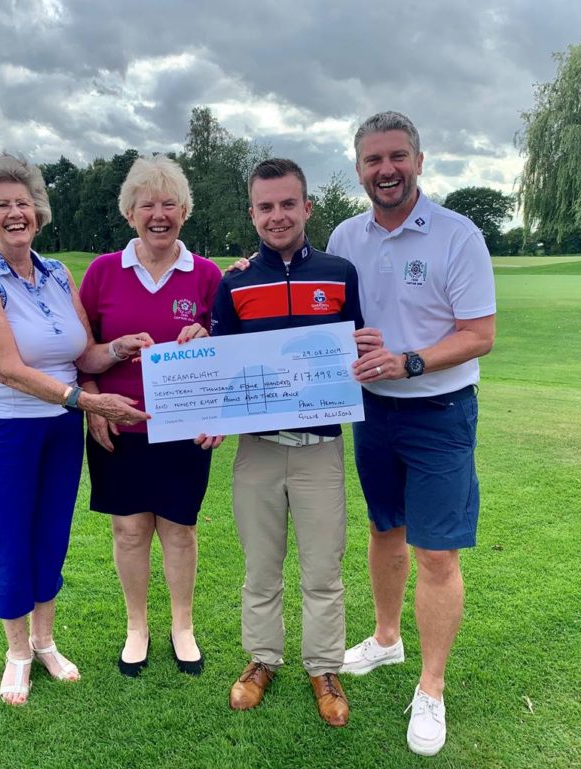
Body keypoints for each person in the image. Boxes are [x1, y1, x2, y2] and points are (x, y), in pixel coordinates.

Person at [0, 153, 152, 705]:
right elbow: (6, 367)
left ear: (38, 212)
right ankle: (17, 652)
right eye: (1, 206)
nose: (15, 213)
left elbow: (81, 352)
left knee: (50, 534)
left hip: (58, 430)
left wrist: (118, 347)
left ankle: (44, 640)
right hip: (0, 430)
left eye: (23, 203)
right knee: (9, 536)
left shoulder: (57, 272)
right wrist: (88, 401)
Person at [327, 111, 496, 756]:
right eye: (372, 160)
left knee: (436, 553)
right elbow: (322, 309)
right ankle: (388, 640)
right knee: (384, 530)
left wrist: (409, 361)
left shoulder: (457, 236)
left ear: (418, 161)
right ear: (359, 169)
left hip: (438, 411)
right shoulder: (346, 236)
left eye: (396, 157)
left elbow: (479, 334)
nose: (385, 170)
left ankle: (431, 686)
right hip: (373, 412)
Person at [212, 158, 364, 727]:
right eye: (265, 207)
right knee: (261, 566)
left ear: (308, 207)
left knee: (323, 567)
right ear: (252, 213)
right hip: (257, 449)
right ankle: (262, 660)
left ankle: (324, 667)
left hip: (319, 447)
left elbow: (359, 350)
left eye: (287, 204)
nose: (277, 216)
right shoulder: (235, 283)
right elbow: (221, 364)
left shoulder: (340, 272)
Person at [78, 155, 223, 677]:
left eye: (169, 204)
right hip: (118, 426)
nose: (158, 214)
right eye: (147, 205)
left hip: (184, 430)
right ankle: (137, 626)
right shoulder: (101, 273)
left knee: (179, 530)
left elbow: (226, 354)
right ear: (129, 213)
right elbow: (82, 352)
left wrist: (209, 337)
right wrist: (94, 397)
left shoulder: (206, 275)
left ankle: (181, 626)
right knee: (129, 531)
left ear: (184, 210)